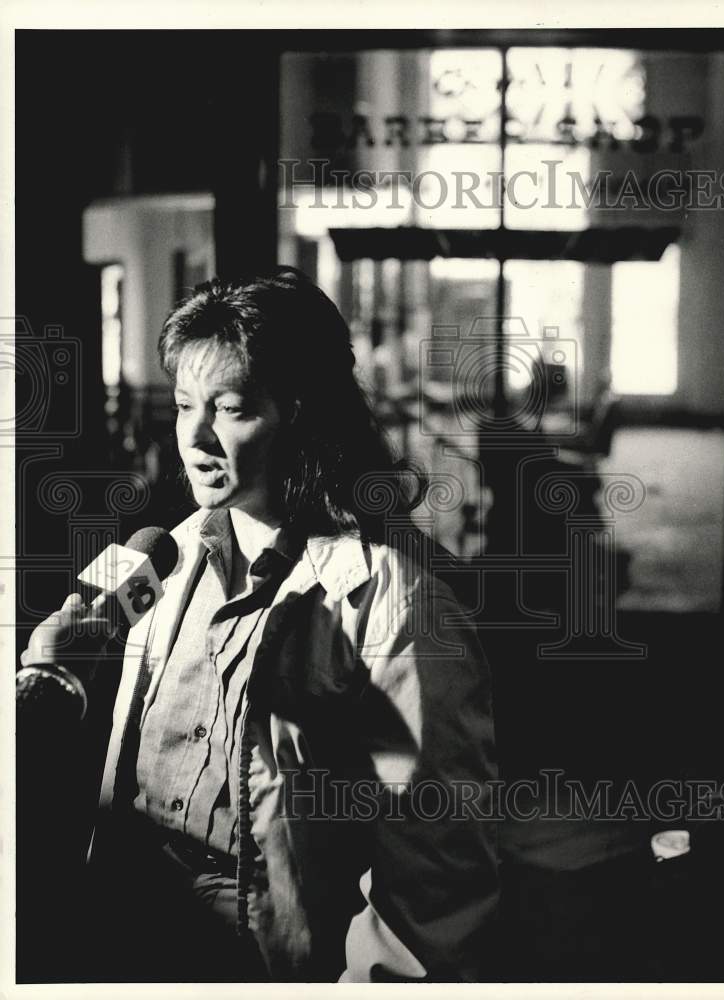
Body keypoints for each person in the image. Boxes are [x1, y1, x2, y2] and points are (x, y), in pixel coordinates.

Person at [21, 268, 500, 983]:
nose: (197, 437)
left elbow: (435, 877)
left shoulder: (395, 601)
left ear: (302, 412)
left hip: (263, 959)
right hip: (119, 932)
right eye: (185, 405)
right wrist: (42, 685)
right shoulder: (158, 559)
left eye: (232, 408)